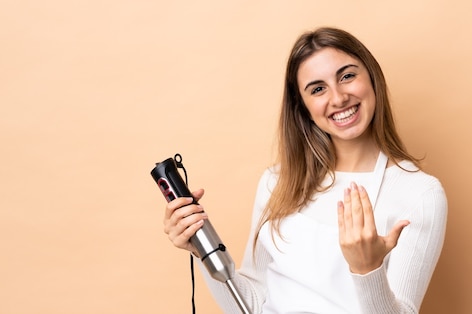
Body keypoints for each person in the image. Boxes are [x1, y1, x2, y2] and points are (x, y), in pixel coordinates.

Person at [163, 27, 447, 313]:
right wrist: (202, 246)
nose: (338, 98)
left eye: (347, 76)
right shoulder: (277, 183)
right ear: (303, 107)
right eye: (318, 89)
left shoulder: (419, 194)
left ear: (373, 79)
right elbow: (250, 305)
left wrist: (367, 270)